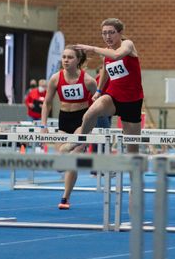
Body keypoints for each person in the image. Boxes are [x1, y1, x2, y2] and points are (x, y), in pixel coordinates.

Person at [74, 18, 144, 161]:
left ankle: (134, 181)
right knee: (90, 114)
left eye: (111, 33)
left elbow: (117, 55)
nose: (107, 37)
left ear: (120, 33)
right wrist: (99, 91)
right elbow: (105, 72)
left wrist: (93, 49)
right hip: (113, 97)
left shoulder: (127, 45)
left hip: (132, 101)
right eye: (104, 33)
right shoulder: (107, 54)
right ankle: (80, 144)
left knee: (132, 151)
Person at [40, 46, 97, 209]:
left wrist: (95, 120)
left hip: (82, 121)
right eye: (64, 57)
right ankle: (64, 156)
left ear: (78, 60)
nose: (65, 60)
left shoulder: (88, 81)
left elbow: (99, 101)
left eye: (70, 57)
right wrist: (43, 125)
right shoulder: (55, 78)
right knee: (64, 156)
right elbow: (47, 103)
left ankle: (65, 197)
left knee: (72, 158)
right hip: (64, 120)